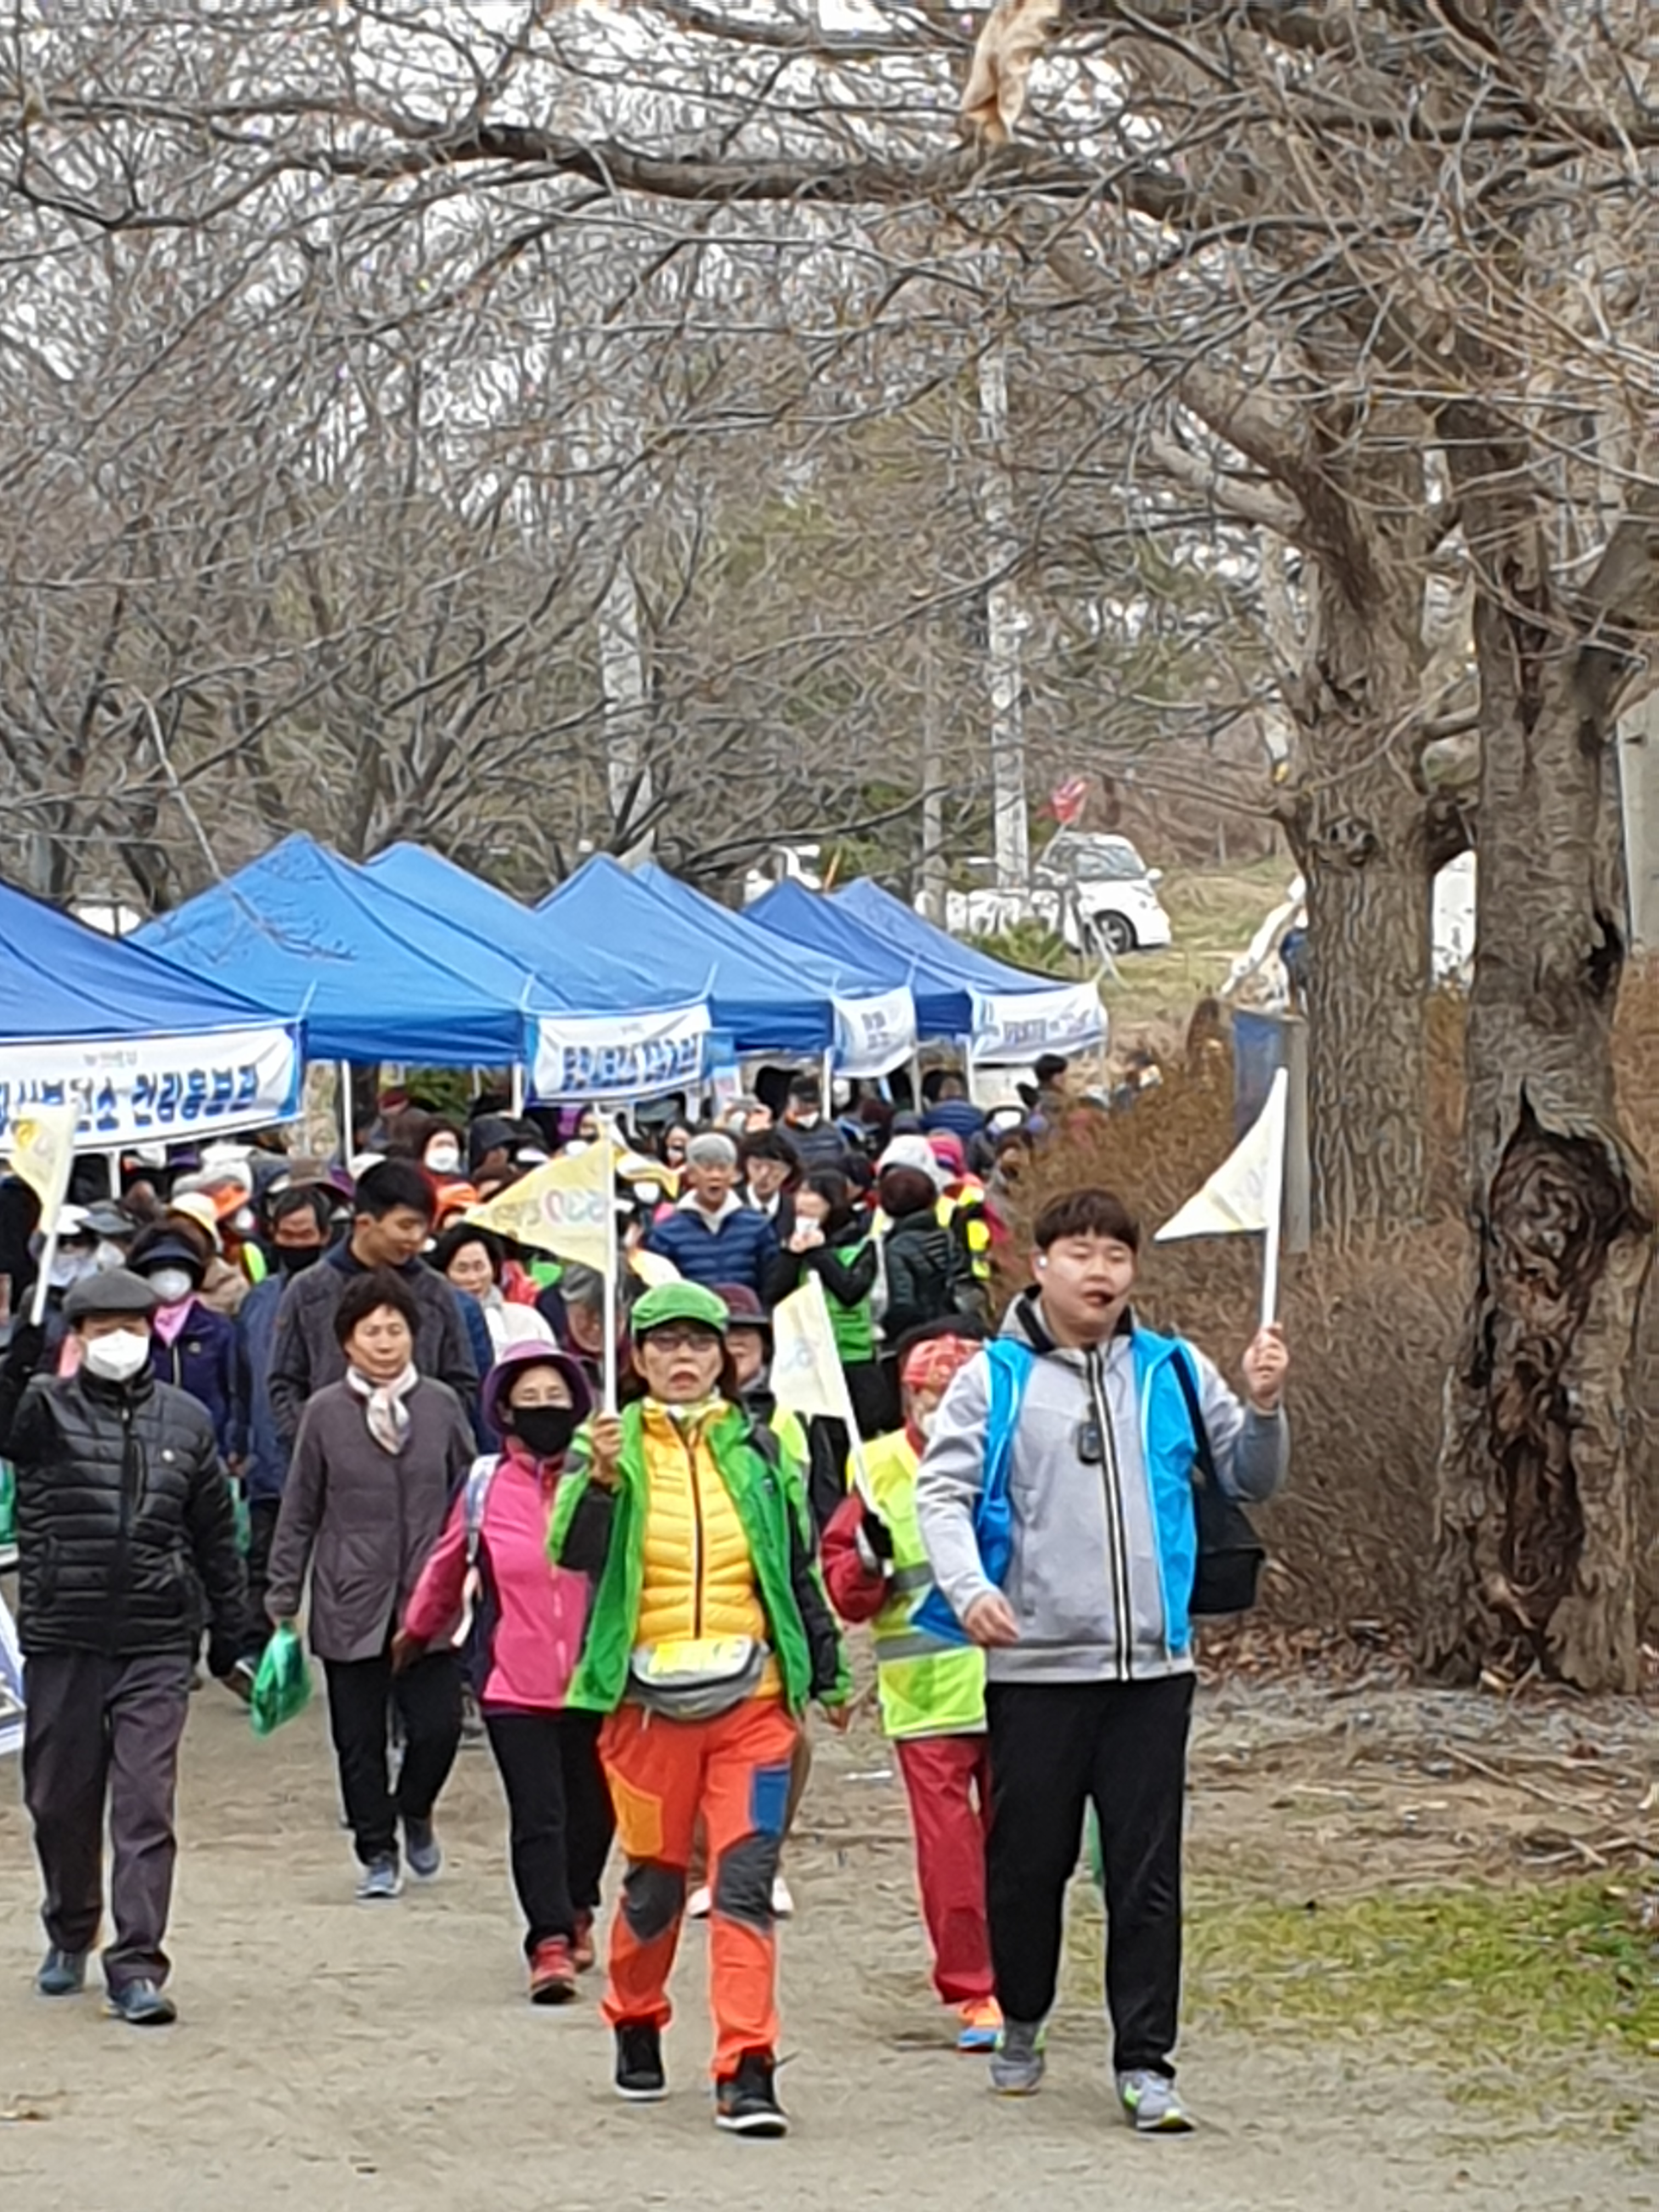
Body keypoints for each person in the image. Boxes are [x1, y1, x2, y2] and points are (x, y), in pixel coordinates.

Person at [915, 1187, 1290, 2131]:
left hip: (1152, 1673)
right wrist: (969, 1590)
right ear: (1038, 1264)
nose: (1098, 1272)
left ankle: (1143, 2060)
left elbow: (1250, 1477)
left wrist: (1263, 1403)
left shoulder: (1169, 1368)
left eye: (1115, 1256)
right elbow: (942, 1494)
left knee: (1145, 1872)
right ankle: (1024, 2018)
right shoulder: (991, 1378)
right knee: (1026, 1864)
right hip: (1035, 1670)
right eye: (1078, 1253)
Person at [549, 1282, 848, 2138]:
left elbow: (795, 1571)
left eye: (700, 1346)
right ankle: (635, 2014)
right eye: (665, 1346)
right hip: (644, 1710)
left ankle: (746, 2067)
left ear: (726, 1357)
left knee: (744, 1884)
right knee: (653, 1887)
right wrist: (601, 1481)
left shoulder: (760, 1450)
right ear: (636, 1361)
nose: (683, 1361)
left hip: (752, 1706)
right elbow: (570, 1552)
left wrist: (824, 1675)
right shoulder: (603, 1446)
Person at [0, 1268, 253, 2025]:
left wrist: (231, 1633)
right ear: (75, 1337)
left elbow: (215, 1532)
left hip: (155, 1640)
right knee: (59, 1801)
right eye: (102, 1327)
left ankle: (137, 1963)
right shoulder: (43, 1409)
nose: (120, 1341)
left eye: (134, 1328)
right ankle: (71, 1925)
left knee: (145, 1804)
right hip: (65, 1638)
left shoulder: (185, 1419)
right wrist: (18, 1352)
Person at [400, 1344, 613, 2001]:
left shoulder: (604, 1477)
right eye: (531, 1399)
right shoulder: (485, 1484)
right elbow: (447, 1566)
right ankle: (547, 1940)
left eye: (557, 1399)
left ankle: (578, 1905)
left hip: (594, 1678)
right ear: (505, 1410)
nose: (544, 1410)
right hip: (512, 1682)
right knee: (538, 1813)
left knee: (596, 1813)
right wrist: (414, 1634)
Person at [264, 1269, 476, 1900]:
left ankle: (415, 1808)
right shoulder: (324, 1413)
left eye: (396, 1330)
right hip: (349, 1593)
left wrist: (473, 1570)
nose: (385, 1343)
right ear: (346, 1343)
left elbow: (471, 1493)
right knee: (357, 1742)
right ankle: (377, 1849)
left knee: (436, 1728)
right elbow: (300, 1506)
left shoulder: (440, 1405)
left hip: (428, 1597)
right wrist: (281, 1596)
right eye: (371, 1332)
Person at [821, 1324, 998, 2051]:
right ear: (911, 1397)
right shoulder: (878, 1469)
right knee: (953, 1857)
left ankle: (1026, 1975)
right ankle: (976, 1989)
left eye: (964, 1395)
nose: (948, 1406)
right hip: (926, 1695)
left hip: (1023, 1685)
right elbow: (848, 1596)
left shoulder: (1018, 1459)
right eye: (935, 1393)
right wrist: (865, 1562)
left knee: (1023, 1848)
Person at [267, 1158, 478, 1444]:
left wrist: (432, 1439)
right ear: (365, 1223)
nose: (415, 1238)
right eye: (405, 1226)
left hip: (420, 1464)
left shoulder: (436, 1292)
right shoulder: (309, 1290)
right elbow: (285, 1382)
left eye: (423, 1227)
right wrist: (312, 1439)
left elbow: (462, 1380)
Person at [239, 1183, 334, 1621]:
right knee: (265, 1560)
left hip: (330, 1456)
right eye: (288, 1235)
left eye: (305, 1235)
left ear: (325, 1235)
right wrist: (239, 1441)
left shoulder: (341, 1295)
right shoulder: (258, 1300)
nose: (296, 1244)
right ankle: (257, 1648)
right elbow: (242, 1377)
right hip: (268, 1461)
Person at [127, 1223, 248, 1467]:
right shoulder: (133, 1331)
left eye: (178, 1268)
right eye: (160, 1269)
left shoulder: (218, 1330)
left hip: (207, 1453)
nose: (170, 1277)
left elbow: (236, 1393)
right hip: (145, 1454)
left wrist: (234, 1445)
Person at [645, 1132, 781, 1299]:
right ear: (691, 1175)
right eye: (707, 1169)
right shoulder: (666, 1233)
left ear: (734, 1174)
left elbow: (773, 1286)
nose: (715, 1176)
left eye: (722, 1168)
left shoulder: (758, 1226)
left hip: (748, 1320)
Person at [434, 1223, 557, 1358]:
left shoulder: (528, 1320)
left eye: (479, 1267)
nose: (473, 1278)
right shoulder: (436, 1323)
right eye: (462, 1270)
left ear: (494, 1267)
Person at [878, 1165, 969, 1345]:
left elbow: (902, 1304)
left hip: (917, 1338)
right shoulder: (949, 1235)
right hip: (957, 1328)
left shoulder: (897, 1247)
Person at [779, 1074, 850, 1176]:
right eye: (803, 1102)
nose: (809, 1107)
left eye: (813, 1102)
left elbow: (847, 1159)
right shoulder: (778, 1135)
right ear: (791, 1100)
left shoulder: (832, 1132)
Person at [738, 1130, 800, 1244]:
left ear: (788, 1171)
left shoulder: (796, 1209)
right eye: (757, 1166)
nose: (764, 1175)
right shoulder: (730, 1205)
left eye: (773, 1168)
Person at [921, 1071, 988, 1153]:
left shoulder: (932, 1113)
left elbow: (924, 1131)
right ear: (962, 1092)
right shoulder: (977, 1113)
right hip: (967, 1155)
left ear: (941, 1093)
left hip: (942, 1153)